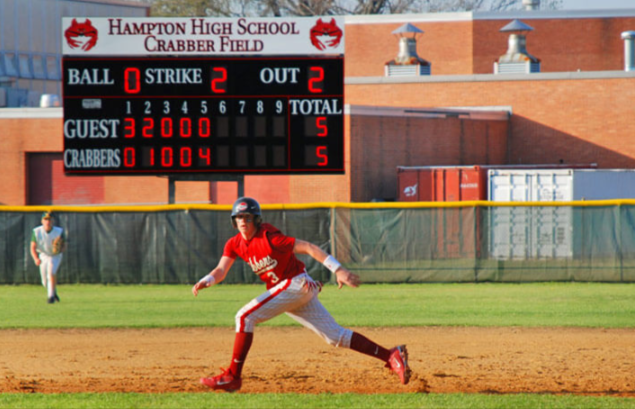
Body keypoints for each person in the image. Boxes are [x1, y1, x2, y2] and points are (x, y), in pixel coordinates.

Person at [192, 197, 412, 392]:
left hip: (295, 285)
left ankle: (232, 376)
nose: (243, 222)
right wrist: (207, 280)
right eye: (239, 217)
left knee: (243, 316)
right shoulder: (234, 243)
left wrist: (338, 270)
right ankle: (391, 356)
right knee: (335, 337)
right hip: (292, 290)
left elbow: (308, 247)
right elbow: (221, 270)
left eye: (247, 217)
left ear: (256, 220)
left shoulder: (269, 237)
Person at [30, 211, 66, 304]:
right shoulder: (37, 231)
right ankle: (53, 291)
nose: (48, 221)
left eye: (49, 219)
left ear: (53, 221)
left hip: (55, 256)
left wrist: (60, 249)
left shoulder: (59, 231)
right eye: (45, 219)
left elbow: (64, 246)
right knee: (44, 282)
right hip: (43, 255)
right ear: (42, 221)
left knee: (51, 272)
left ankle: (50, 298)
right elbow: (33, 247)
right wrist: (36, 258)